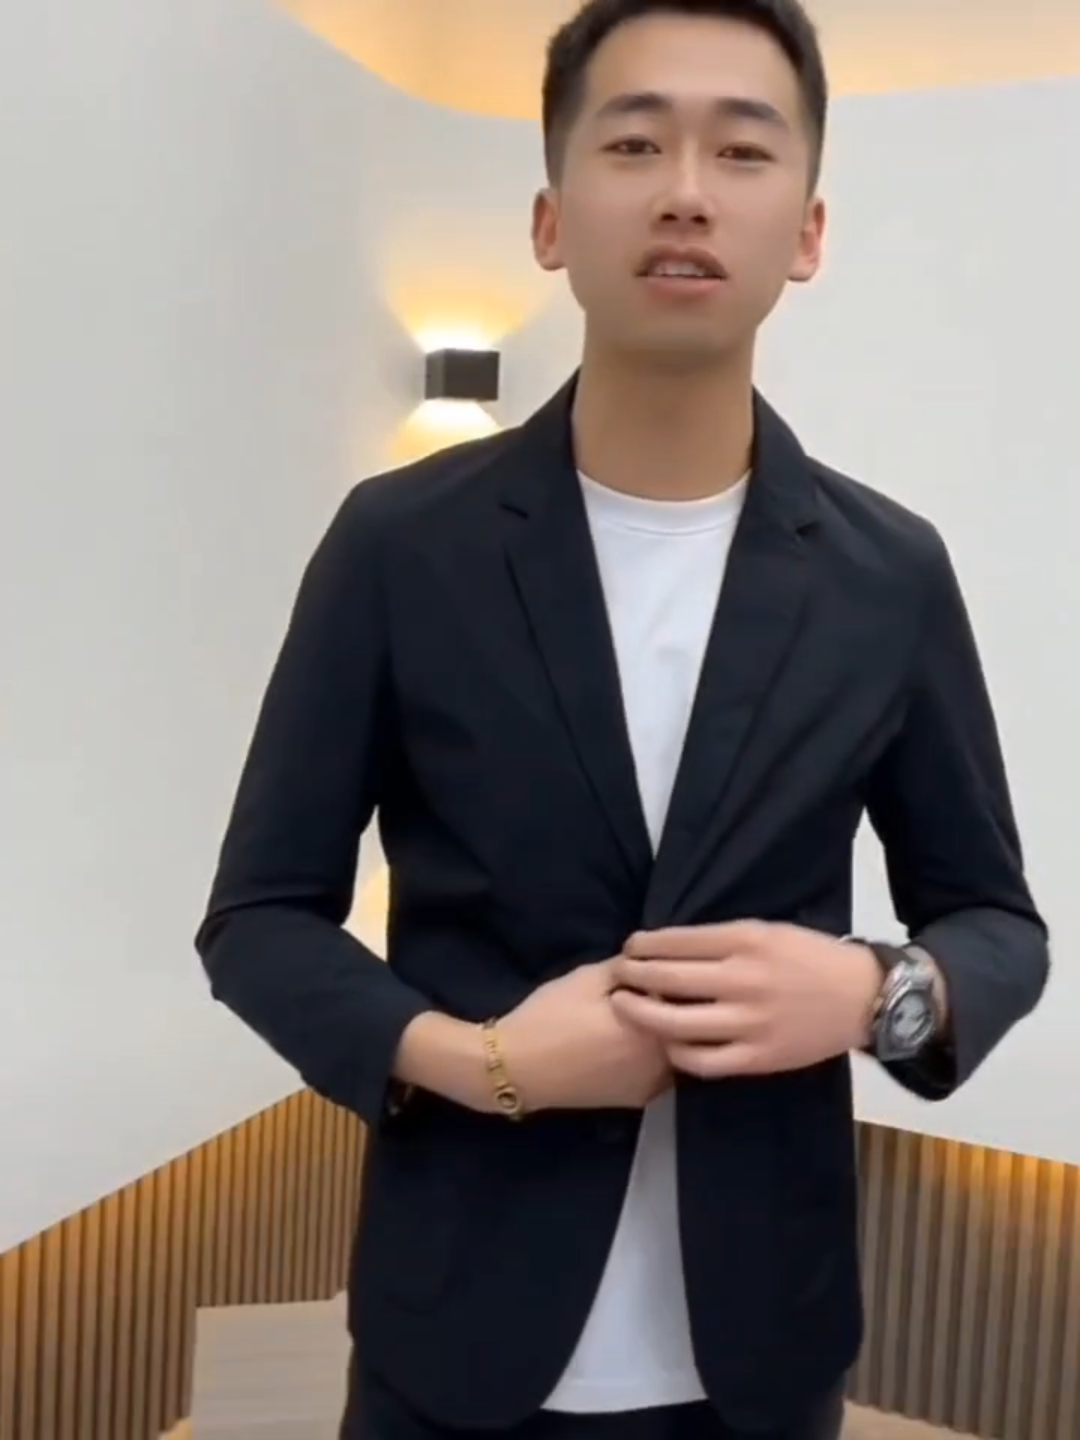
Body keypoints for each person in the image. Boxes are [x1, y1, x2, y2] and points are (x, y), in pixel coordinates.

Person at [195, 2, 1050, 1438]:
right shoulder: (401, 545)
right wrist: (485, 1065)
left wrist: (872, 992)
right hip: (452, 1330)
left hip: (762, 1349)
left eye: (743, 150)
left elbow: (995, 924)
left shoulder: (889, 573)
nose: (687, 192)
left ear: (808, 233)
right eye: (636, 143)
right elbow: (259, 919)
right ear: (551, 221)